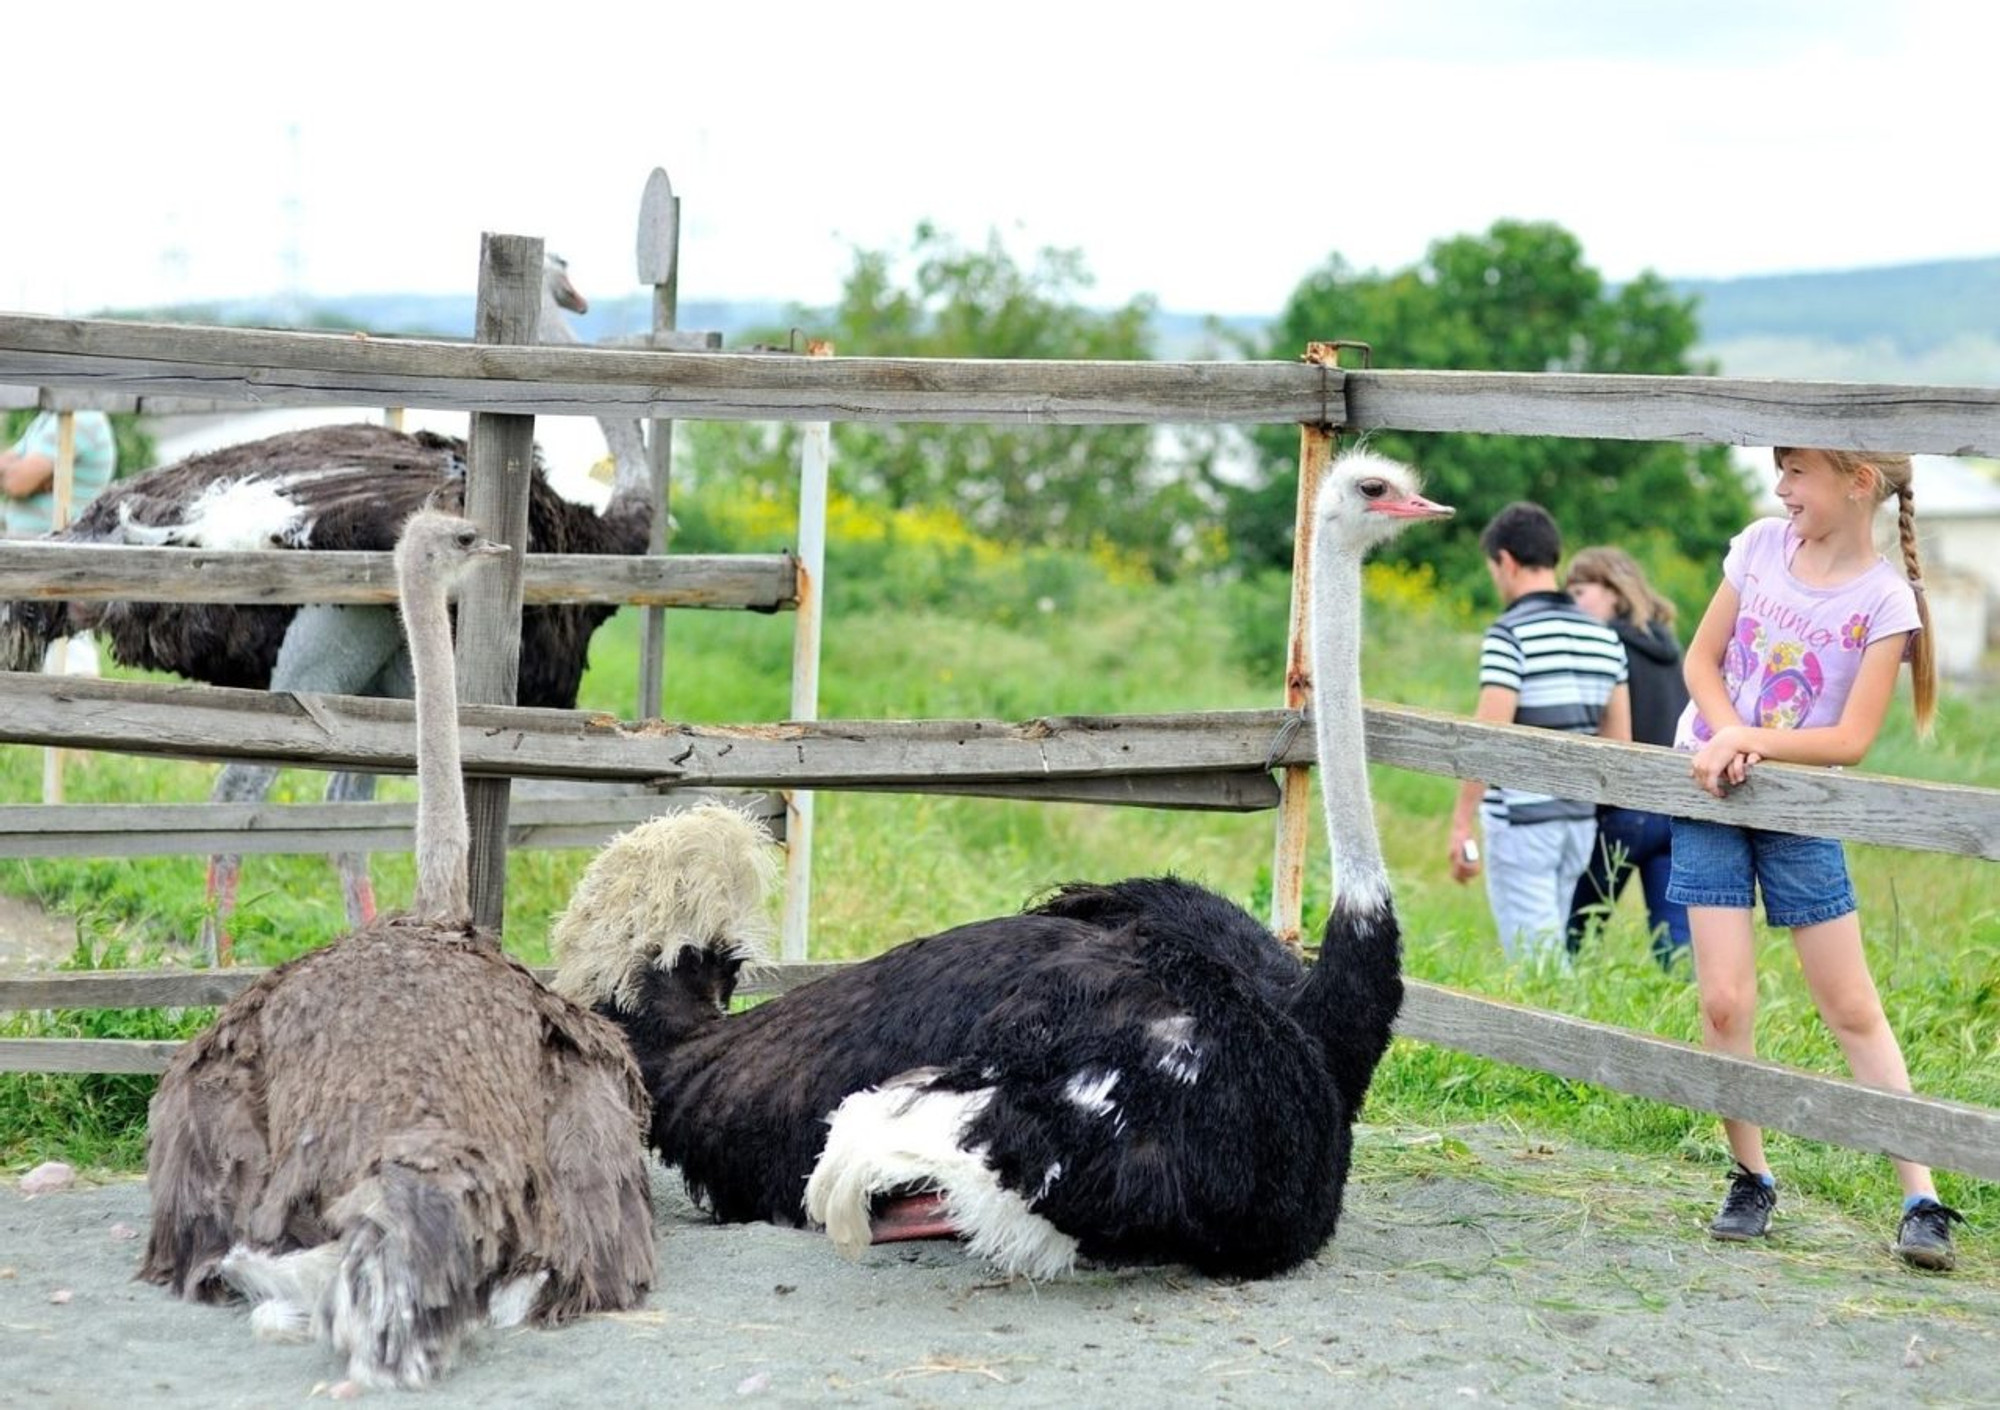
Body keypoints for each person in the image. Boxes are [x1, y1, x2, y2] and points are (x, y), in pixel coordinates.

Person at [1667, 446, 1963, 1272]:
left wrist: (1748, 740)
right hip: (1711, 791)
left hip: (1800, 809)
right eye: (1781, 471)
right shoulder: (1759, 547)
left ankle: (1922, 1195)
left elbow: (1851, 739)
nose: (1781, 488)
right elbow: (1700, 660)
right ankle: (1751, 1176)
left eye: (1796, 472)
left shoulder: (1885, 600)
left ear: (1856, 481)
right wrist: (1726, 735)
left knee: (1850, 1007)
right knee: (1725, 1002)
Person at [1450, 502, 1631, 962]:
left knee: (1538, 965)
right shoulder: (1605, 637)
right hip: (1579, 820)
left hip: (1521, 820)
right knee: (1555, 951)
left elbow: (1487, 740)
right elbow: (1619, 744)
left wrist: (1460, 825)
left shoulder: (1508, 635)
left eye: (1494, 568)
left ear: (1506, 561)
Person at [1561, 546, 1693, 969]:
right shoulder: (1671, 647)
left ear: (1614, 593)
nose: (1573, 602)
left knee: (1576, 932)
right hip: (1673, 808)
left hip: (1622, 809)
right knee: (1675, 945)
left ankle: (1561, 1005)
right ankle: (1686, 1021)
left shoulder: (1606, 646)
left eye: (1581, 591)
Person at [0, 409, 117, 537]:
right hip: (32, 541)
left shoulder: (80, 418)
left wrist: (19, 474)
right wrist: (35, 479)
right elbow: (8, 464)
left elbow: (16, 483)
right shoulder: (50, 416)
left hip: (57, 545)